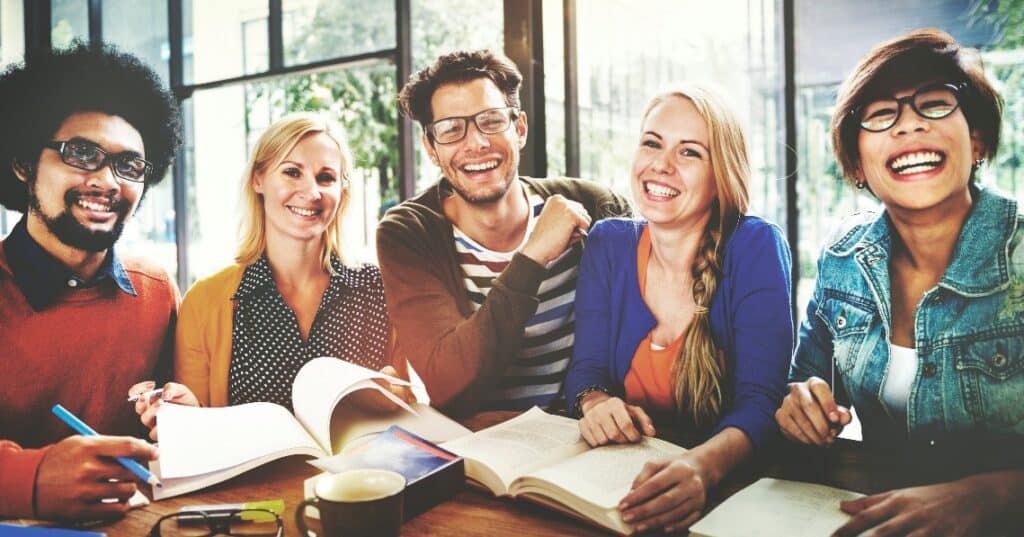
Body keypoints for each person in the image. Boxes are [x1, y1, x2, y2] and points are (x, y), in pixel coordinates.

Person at [775, 29, 1024, 536]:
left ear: (975, 139)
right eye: (881, 114)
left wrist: (990, 495)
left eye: (934, 105)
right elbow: (803, 381)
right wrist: (800, 404)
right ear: (859, 163)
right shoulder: (843, 257)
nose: (908, 126)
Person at [564, 83, 793, 533]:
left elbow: (762, 403)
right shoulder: (609, 243)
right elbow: (585, 369)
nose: (661, 165)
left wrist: (700, 469)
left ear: (721, 175)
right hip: (618, 490)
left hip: (730, 498)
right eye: (652, 143)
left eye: (689, 153)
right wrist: (596, 403)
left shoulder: (755, 246)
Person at [378, 49, 632, 415]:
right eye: (451, 129)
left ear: (521, 129)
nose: (476, 143)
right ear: (431, 149)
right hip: (482, 454)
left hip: (587, 436)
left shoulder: (594, 206)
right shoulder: (408, 235)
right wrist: (532, 256)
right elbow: (448, 384)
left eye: (492, 121)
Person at [132, 113, 412, 438]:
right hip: (257, 490)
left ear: (342, 190)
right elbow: (200, 431)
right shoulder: (205, 302)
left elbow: (410, 411)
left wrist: (398, 399)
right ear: (258, 179)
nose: (312, 191)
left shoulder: (383, 287)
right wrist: (184, 417)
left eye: (326, 178)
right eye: (292, 172)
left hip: (362, 484)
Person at [0, 42, 181, 520]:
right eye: (81, 153)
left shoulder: (155, 291)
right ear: (23, 164)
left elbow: (176, 426)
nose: (107, 181)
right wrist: (31, 477)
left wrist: (181, 415)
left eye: (130, 165)